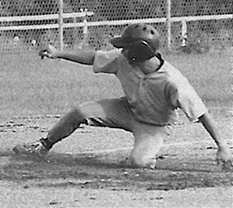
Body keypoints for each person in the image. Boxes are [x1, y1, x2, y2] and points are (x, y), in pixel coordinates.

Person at [13, 23, 232, 170]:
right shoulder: (124, 60)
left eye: (126, 47)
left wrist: (222, 147)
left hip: (154, 125)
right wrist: (59, 53)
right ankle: (42, 146)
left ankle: (147, 158)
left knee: (139, 162)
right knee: (81, 112)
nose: (122, 50)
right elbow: (93, 57)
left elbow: (202, 113)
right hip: (126, 110)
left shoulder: (173, 81)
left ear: (139, 51)